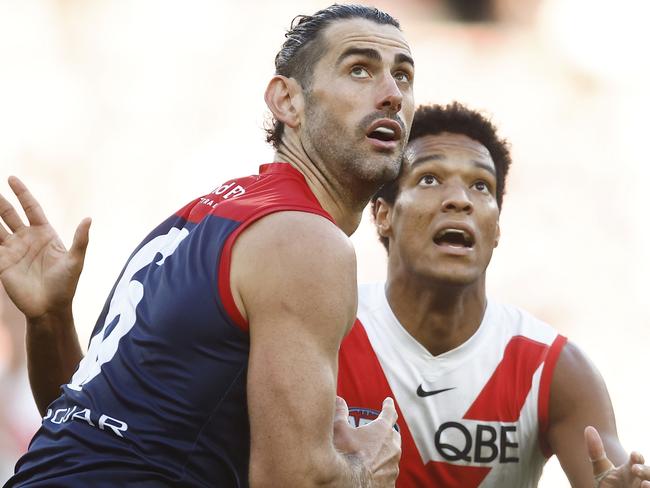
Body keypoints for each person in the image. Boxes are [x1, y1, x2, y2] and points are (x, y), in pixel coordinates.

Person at [0, 4, 416, 486]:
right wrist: (367, 472)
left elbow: (93, 429)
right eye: (360, 70)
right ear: (287, 101)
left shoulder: (199, 217)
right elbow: (293, 480)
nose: (391, 95)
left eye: (403, 77)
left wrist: (49, 319)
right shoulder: (304, 240)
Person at [337, 102, 650, 487]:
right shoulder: (328, 330)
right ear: (383, 215)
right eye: (430, 179)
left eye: (480, 186)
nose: (460, 200)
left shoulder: (553, 369)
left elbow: (609, 475)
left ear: (497, 227)